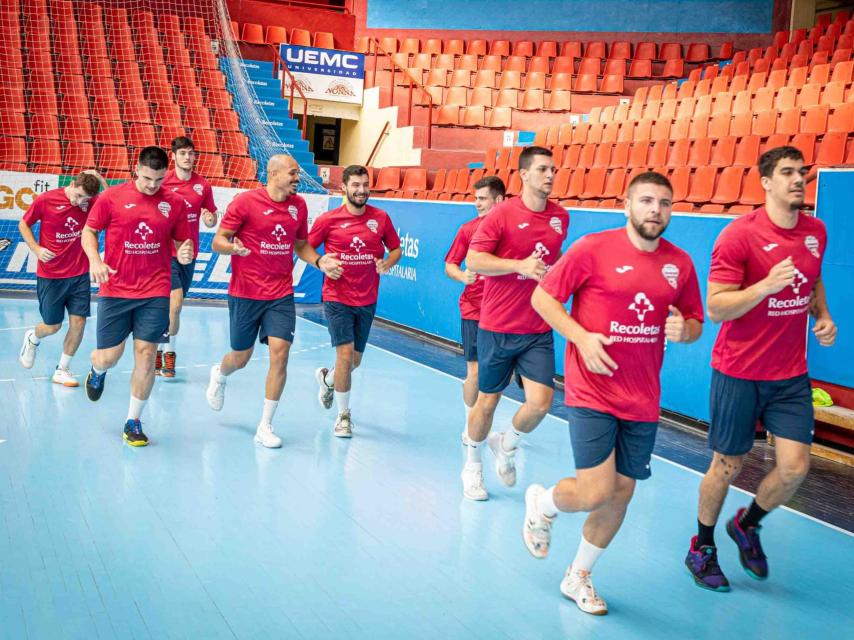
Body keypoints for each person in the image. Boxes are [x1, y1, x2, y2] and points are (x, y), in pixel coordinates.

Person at [523, 172, 704, 614]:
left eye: (664, 203)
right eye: (646, 200)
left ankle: (579, 575)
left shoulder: (678, 263)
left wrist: (686, 330)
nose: (655, 210)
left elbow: (695, 321)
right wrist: (581, 337)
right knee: (595, 491)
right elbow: (544, 300)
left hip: (642, 396)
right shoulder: (593, 249)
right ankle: (542, 503)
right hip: (592, 389)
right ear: (627, 205)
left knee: (622, 492)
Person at [685, 146, 836, 591]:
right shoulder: (739, 236)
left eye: (802, 173)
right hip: (739, 371)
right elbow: (716, 307)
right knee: (727, 465)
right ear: (766, 182)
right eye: (787, 173)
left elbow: (812, 278)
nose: (798, 180)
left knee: (794, 468)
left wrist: (821, 316)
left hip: (789, 374)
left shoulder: (815, 232)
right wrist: (765, 286)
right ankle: (703, 546)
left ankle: (747, 525)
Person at [205, 155, 341, 448]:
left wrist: (319, 261)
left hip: (280, 293)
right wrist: (233, 249)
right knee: (240, 357)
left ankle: (265, 425)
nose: (297, 178)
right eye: (292, 173)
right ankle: (220, 372)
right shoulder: (245, 203)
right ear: (274, 173)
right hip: (245, 292)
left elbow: (301, 245)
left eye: (297, 174)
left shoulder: (298, 206)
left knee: (280, 354)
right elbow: (218, 241)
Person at [461, 146, 568, 500]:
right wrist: (518, 265)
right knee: (487, 401)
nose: (550, 175)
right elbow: (475, 260)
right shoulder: (501, 214)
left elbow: (554, 259)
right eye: (542, 169)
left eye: (552, 169)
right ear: (523, 174)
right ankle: (472, 466)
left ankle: (505, 444)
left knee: (540, 403)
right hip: (498, 324)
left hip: (537, 328)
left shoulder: (560, 218)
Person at [81, 147, 193, 447]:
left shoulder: (174, 203)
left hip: (155, 291)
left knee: (145, 357)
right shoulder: (112, 197)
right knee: (109, 356)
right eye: (146, 178)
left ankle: (133, 421)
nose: (152, 186)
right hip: (115, 290)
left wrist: (184, 251)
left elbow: (182, 241)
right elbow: (89, 232)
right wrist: (94, 260)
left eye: (158, 180)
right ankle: (97, 369)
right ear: (136, 169)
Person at [309, 165, 402, 437]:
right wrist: (321, 263)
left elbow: (396, 249)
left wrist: (387, 263)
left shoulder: (380, 218)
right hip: (337, 297)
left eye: (365, 184)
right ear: (344, 188)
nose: (361, 190)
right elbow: (304, 246)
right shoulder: (329, 220)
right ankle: (343, 417)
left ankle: (327, 379)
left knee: (354, 362)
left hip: (367, 298)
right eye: (356, 185)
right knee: (345, 355)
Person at [18, 171, 106, 385]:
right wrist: (36, 248)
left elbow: (112, 200)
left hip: (79, 274)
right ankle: (33, 337)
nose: (79, 202)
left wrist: (99, 178)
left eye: (85, 199)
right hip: (51, 275)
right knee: (52, 325)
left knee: (79, 322)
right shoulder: (46, 200)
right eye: (78, 195)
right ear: (72, 183)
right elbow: (23, 224)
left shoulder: (91, 202)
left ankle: (63, 368)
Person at [444, 175, 506, 439]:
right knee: (476, 370)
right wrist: (462, 276)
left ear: (499, 200)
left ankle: (488, 421)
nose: (477, 204)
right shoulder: (468, 229)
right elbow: (450, 265)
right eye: (476, 198)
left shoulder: (512, 230)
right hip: (473, 309)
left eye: (483, 199)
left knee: (497, 374)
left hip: (503, 312)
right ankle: (469, 424)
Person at [156, 136, 218, 379]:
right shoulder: (162, 182)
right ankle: (168, 355)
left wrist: (209, 219)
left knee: (174, 310)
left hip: (189, 253)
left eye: (191, 153)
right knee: (175, 303)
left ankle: (162, 350)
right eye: (182, 153)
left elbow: (212, 219)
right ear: (173, 156)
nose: (188, 158)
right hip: (164, 252)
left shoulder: (203, 186)